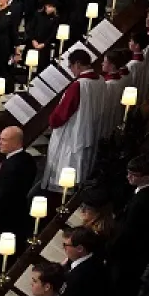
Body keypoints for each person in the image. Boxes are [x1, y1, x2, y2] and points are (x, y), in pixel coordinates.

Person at [45, 48, 105, 190]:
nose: (72, 71)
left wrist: (52, 122)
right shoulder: (101, 80)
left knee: (66, 169)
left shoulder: (79, 85)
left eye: (71, 66)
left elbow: (62, 113)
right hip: (91, 130)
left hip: (73, 134)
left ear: (78, 64)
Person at [112, 155, 149, 296]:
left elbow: (129, 231)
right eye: (128, 172)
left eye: (133, 175)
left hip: (130, 254)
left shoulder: (143, 200)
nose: (128, 177)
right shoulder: (143, 193)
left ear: (147, 177)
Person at [0, 125, 38, 250]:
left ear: (16, 142)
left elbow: (2, 198)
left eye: (4, 140)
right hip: (17, 216)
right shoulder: (28, 159)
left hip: (4, 222)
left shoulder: (11, 168)